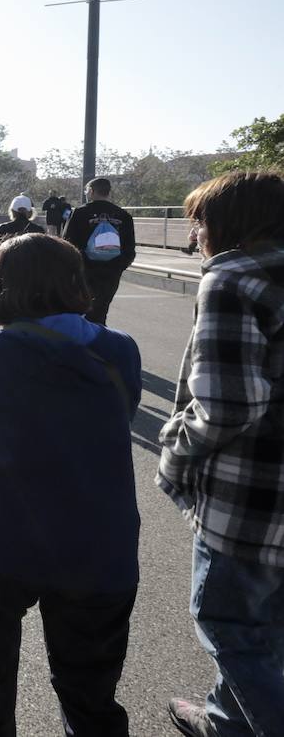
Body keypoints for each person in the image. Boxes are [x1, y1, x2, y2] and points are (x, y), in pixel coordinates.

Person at [0, 232, 141, 737]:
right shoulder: (119, 350)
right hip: (99, 540)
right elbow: (124, 412)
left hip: (2, 534)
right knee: (89, 680)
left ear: (2, 285)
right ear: (76, 283)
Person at [158, 171, 284, 737]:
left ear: (231, 222)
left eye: (200, 221)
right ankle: (225, 720)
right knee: (270, 623)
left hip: (250, 497)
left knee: (229, 627)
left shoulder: (234, 280)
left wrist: (174, 455)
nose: (195, 235)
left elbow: (227, 407)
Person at [62, 178, 136, 326]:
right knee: (101, 309)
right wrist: (119, 265)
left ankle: (84, 340)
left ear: (91, 191)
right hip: (112, 270)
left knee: (82, 308)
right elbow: (130, 247)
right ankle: (100, 339)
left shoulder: (80, 213)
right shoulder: (123, 215)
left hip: (85, 269)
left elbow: (67, 242)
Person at [0, 196, 44, 282]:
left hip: (6, 275)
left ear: (12, 211)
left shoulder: (3, 228)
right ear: (30, 211)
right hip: (31, 276)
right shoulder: (38, 230)